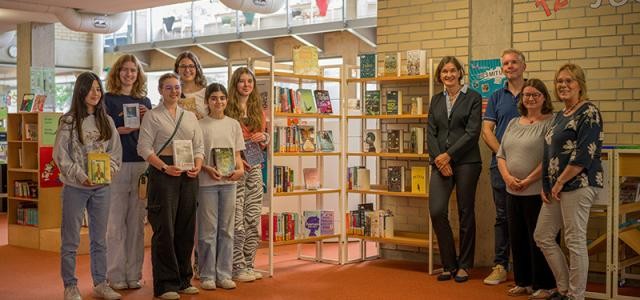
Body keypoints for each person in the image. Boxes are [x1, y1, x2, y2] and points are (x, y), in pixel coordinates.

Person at [534, 63, 603, 300]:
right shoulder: (558, 116)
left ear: (580, 85)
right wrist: (546, 184)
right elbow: (547, 153)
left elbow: (584, 155)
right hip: (555, 188)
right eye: (559, 81)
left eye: (569, 81)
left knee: (574, 240)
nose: (563, 85)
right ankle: (564, 288)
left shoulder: (589, 112)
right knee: (542, 235)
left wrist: (560, 182)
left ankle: (576, 295)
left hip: (579, 184)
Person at [53, 71, 123, 300]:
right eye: (91, 89)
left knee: (99, 238)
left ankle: (100, 282)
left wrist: (107, 172)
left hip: (102, 187)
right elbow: (60, 155)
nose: (96, 93)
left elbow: (115, 153)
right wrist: (82, 176)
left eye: (98, 89)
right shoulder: (69, 120)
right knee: (71, 239)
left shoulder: (107, 121)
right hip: (75, 187)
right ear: (81, 91)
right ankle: (70, 286)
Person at [137, 73, 204, 300]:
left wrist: (197, 166)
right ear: (160, 90)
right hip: (163, 173)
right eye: (169, 88)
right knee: (164, 229)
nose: (174, 91)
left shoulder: (190, 117)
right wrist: (165, 168)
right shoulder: (153, 117)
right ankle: (166, 284)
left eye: (177, 87)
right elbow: (144, 148)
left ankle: (184, 279)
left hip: (188, 174)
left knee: (186, 228)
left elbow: (199, 146)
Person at [496, 79, 556, 298]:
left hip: (537, 192)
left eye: (535, 95)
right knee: (518, 237)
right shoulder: (513, 122)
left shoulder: (551, 122)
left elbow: (550, 158)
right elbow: (501, 154)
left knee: (539, 240)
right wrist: (508, 178)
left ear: (544, 98)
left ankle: (545, 285)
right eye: (526, 95)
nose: (530, 98)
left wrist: (528, 180)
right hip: (512, 191)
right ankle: (523, 282)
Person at [427, 56, 482, 283]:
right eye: (444, 72)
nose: (448, 75)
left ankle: (465, 265)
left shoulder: (473, 97)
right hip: (441, 162)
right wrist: (440, 159)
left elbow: (472, 132)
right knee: (437, 211)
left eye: (452, 70)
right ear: (440, 75)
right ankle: (449, 264)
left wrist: (449, 155)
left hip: (467, 162)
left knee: (465, 212)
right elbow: (431, 131)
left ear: (460, 72)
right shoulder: (436, 99)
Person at [104, 54, 153, 291]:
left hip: (141, 164)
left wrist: (147, 119)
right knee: (115, 223)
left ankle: (134, 273)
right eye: (125, 70)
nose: (129, 74)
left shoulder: (145, 101)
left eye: (133, 70)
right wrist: (118, 129)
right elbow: (102, 132)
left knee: (136, 223)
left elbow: (153, 135)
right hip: (117, 164)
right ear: (117, 72)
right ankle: (115, 275)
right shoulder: (107, 100)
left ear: (138, 74)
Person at [481, 48, 527, 285]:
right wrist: (502, 155)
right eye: (506, 64)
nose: (509, 67)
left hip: (531, 168)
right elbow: (487, 129)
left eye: (514, 62)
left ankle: (527, 271)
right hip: (500, 166)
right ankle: (500, 266)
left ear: (523, 66)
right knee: (502, 217)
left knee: (529, 218)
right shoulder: (497, 97)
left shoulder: (534, 92)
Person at [197, 83, 245, 291]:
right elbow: (196, 156)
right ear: (207, 101)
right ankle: (207, 274)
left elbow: (237, 155)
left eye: (222, 98)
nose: (219, 102)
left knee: (227, 230)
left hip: (229, 183)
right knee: (208, 230)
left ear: (227, 100)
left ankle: (224, 273)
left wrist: (240, 170)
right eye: (214, 98)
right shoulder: (200, 125)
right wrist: (207, 168)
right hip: (207, 182)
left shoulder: (233, 124)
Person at [225, 67, 269, 282]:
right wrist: (236, 160)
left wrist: (265, 137)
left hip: (255, 168)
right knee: (236, 220)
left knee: (253, 218)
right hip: (235, 170)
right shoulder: (227, 111)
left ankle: (249, 263)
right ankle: (236, 265)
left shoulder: (258, 111)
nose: (246, 85)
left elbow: (264, 142)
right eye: (241, 81)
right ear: (235, 84)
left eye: (249, 81)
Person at [174, 51, 207, 119]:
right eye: (183, 66)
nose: (187, 70)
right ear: (177, 69)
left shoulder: (207, 93)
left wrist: (203, 119)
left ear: (197, 69)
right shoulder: (171, 93)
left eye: (191, 66)